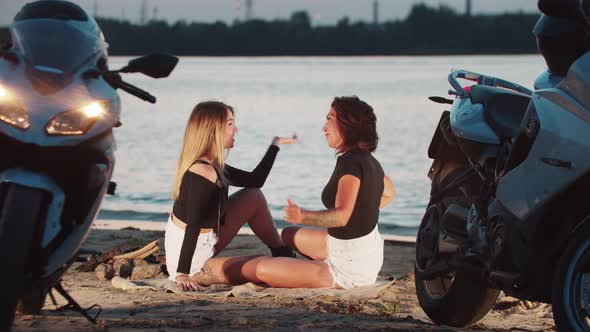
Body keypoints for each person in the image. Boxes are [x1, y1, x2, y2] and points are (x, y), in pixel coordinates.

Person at [190, 96, 395, 289]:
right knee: (288, 234)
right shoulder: (368, 160)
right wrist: (361, 213)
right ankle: (300, 266)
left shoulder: (350, 164)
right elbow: (388, 194)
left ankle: (199, 272)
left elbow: (341, 216)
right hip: (364, 253)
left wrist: (304, 216)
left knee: (259, 267)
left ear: (348, 124)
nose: (324, 127)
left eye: (330, 119)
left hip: (347, 269)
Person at [165, 101, 298, 291]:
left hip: (206, 239)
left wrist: (275, 144)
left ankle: (281, 250)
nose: (236, 129)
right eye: (230, 124)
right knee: (262, 267)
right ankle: (282, 261)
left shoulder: (214, 165)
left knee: (253, 196)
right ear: (213, 130)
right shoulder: (202, 171)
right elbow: (193, 225)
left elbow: (255, 180)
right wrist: (182, 273)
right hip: (192, 260)